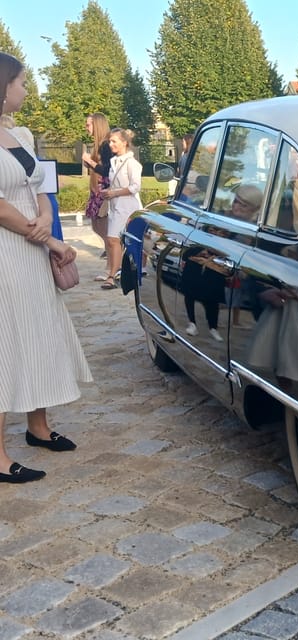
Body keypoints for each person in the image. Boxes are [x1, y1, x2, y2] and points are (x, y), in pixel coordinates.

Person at [1, 52, 92, 483]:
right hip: (6, 250)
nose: (25, 89)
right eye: (20, 82)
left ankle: (38, 427)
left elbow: (39, 184)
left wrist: (43, 217)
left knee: (36, 332)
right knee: (6, 340)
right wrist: (47, 236)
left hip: (31, 247)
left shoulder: (21, 134)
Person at [100, 128, 143, 290]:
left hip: (126, 206)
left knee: (113, 239)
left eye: (114, 141)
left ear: (124, 143)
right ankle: (115, 271)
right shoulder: (114, 161)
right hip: (115, 204)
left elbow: (135, 187)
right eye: (110, 141)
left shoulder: (132, 164)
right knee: (112, 240)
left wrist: (114, 192)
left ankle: (113, 274)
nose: (111, 144)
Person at [81, 113, 113, 261]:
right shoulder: (99, 145)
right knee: (96, 224)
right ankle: (110, 249)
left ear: (97, 125)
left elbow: (107, 170)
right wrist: (89, 163)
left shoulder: (106, 145)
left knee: (101, 223)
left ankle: (112, 251)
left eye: (88, 124)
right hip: (97, 189)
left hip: (103, 189)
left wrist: (90, 161)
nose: (86, 128)